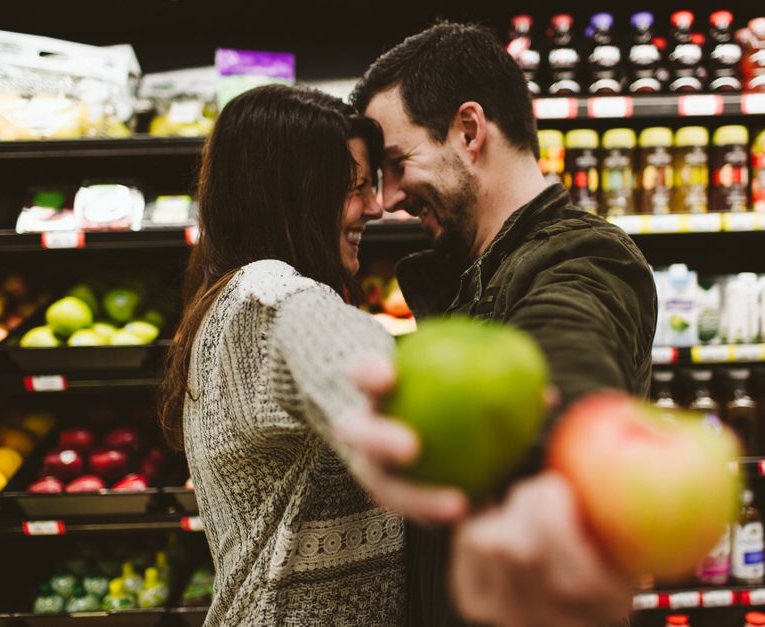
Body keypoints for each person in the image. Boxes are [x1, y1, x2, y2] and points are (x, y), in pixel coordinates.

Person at [349, 22, 658, 626]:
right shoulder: (470, 269)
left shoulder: (582, 256)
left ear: (469, 130)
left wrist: (555, 483)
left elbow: (568, 340)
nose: (385, 200)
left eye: (396, 162)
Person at [159, 84, 468, 625]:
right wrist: (377, 393)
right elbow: (316, 336)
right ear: (289, 194)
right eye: (353, 188)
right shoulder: (263, 293)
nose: (375, 206)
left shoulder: (226, 298)